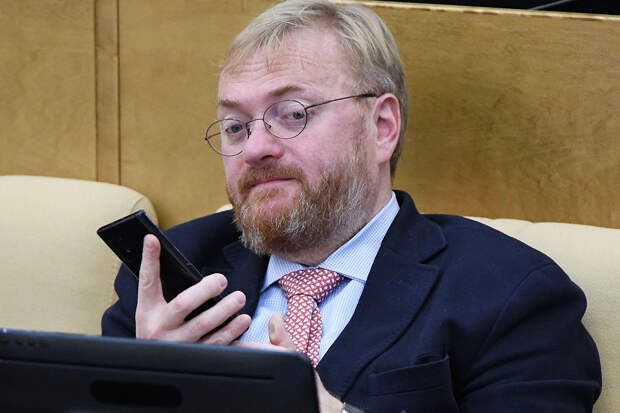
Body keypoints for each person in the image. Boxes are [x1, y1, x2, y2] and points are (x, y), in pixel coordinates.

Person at [102, 0, 601, 411]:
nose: (255, 148)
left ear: (382, 128)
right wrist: (148, 391)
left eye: (292, 114)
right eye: (236, 126)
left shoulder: (508, 295)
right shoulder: (167, 282)